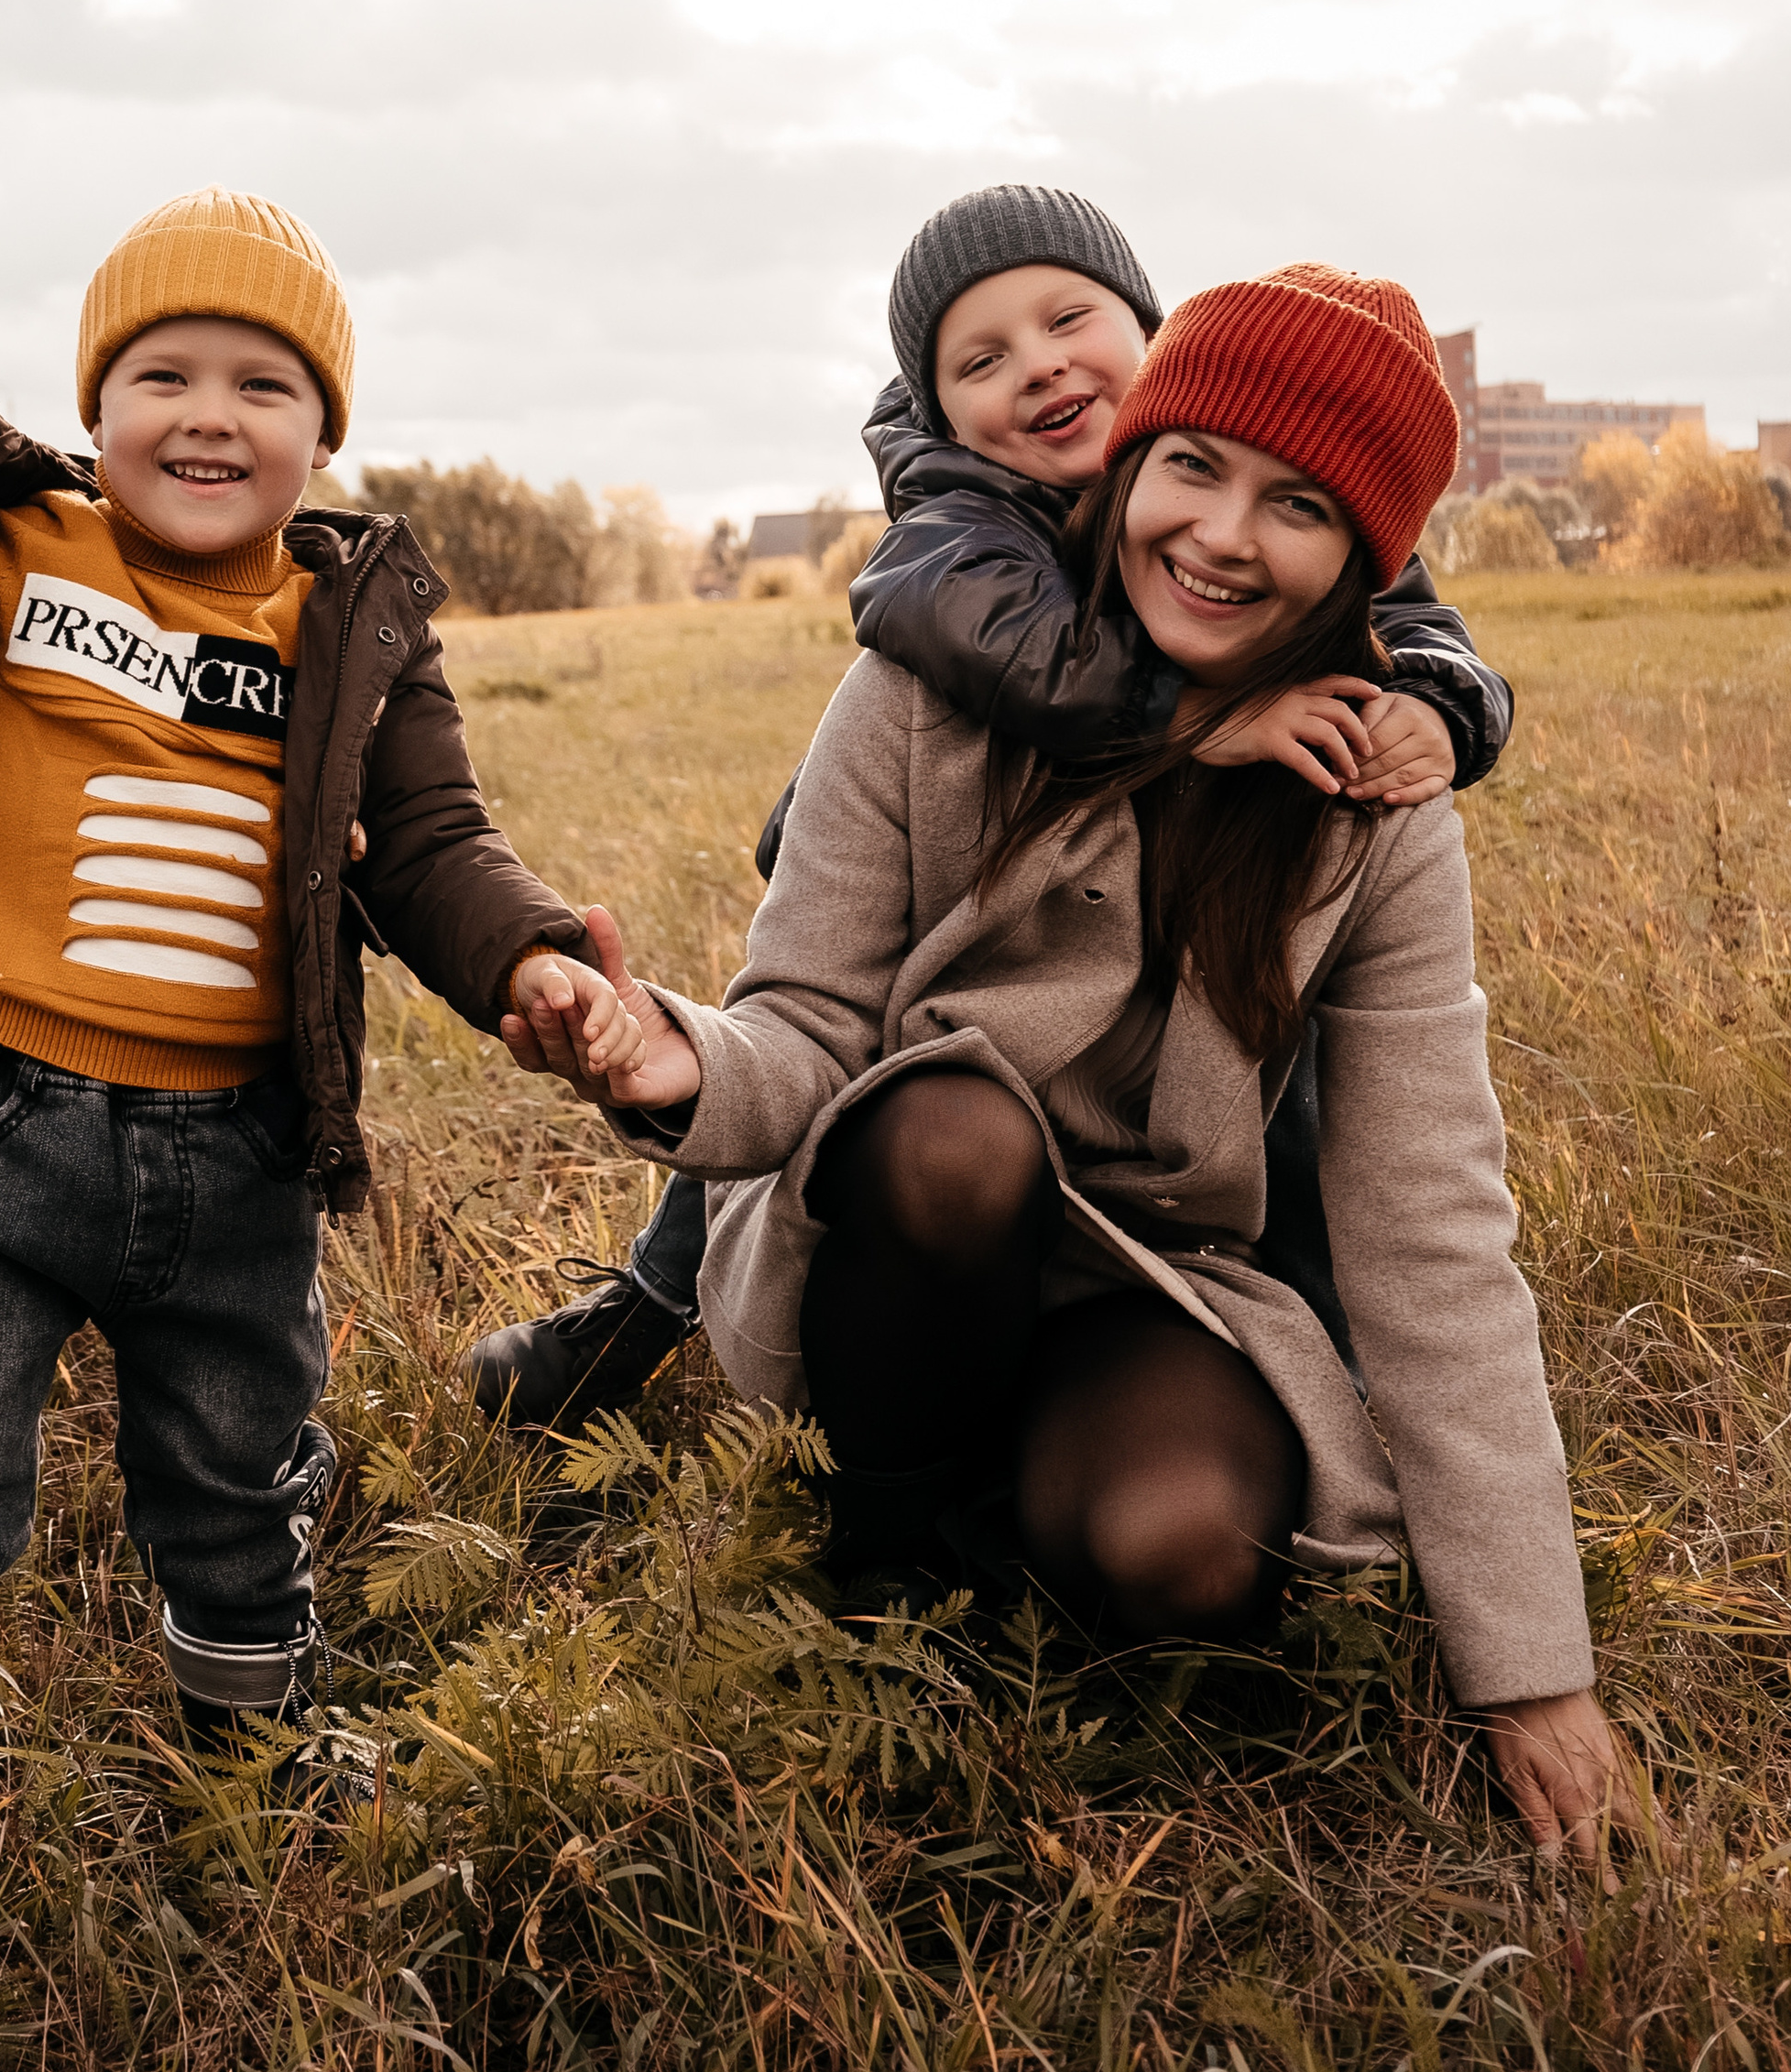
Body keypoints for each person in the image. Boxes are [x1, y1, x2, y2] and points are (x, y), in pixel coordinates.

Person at [0, 185, 639, 1923]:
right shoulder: (20, 551)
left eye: (263, 383)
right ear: (94, 408)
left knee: (239, 1476)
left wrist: (529, 954)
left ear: (323, 431)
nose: (208, 414)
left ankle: (248, 1755)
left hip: (237, 1151)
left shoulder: (354, 631)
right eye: (162, 371)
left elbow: (435, 840)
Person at [558, 264, 1627, 1860]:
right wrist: (676, 1065)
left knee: (1184, 1557)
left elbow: (1434, 1227)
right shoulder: (931, 687)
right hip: (910, 1219)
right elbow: (808, 1025)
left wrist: (1532, 1666)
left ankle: (1015, 1485)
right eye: (1192, 465)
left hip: (1150, 1278)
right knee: (955, 1129)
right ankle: (890, 1552)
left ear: (1365, 562)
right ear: (1129, 458)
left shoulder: (1372, 798)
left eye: (1300, 505)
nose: (1221, 533)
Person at [472, 187, 1511, 1430]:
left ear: (1153, 330)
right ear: (938, 406)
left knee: (1264, 1078)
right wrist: (1189, 712)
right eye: (982, 357)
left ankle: (1292, 1351)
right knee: (848, 1063)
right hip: (935, 898)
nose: (1041, 365)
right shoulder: (954, 520)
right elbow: (997, 642)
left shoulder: (1252, 459)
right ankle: (659, 1297)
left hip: (1179, 921)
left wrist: (1443, 707)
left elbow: (1404, 611)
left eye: (1070, 316)